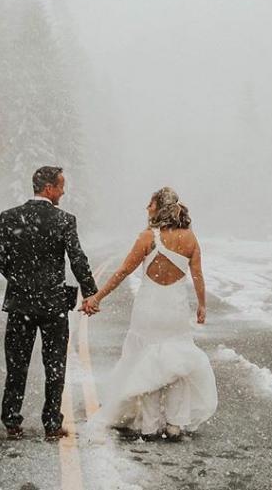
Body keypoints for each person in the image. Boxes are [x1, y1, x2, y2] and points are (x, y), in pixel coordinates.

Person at [83, 187, 217, 441]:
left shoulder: (147, 237)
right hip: (175, 310)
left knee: (145, 360)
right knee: (177, 363)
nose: (147, 207)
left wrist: (97, 297)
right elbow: (198, 276)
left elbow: (122, 272)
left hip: (148, 309)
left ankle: (150, 424)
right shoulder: (190, 238)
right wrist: (202, 305)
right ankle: (175, 424)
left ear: (160, 207)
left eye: (151, 204)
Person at [0, 166, 99, 441]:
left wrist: (19, 279)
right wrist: (90, 292)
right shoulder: (64, 220)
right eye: (61, 186)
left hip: (19, 305)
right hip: (53, 304)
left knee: (17, 366)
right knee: (55, 366)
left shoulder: (9, 217)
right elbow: (77, 258)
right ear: (49, 188)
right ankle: (51, 424)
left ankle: (12, 422)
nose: (63, 191)